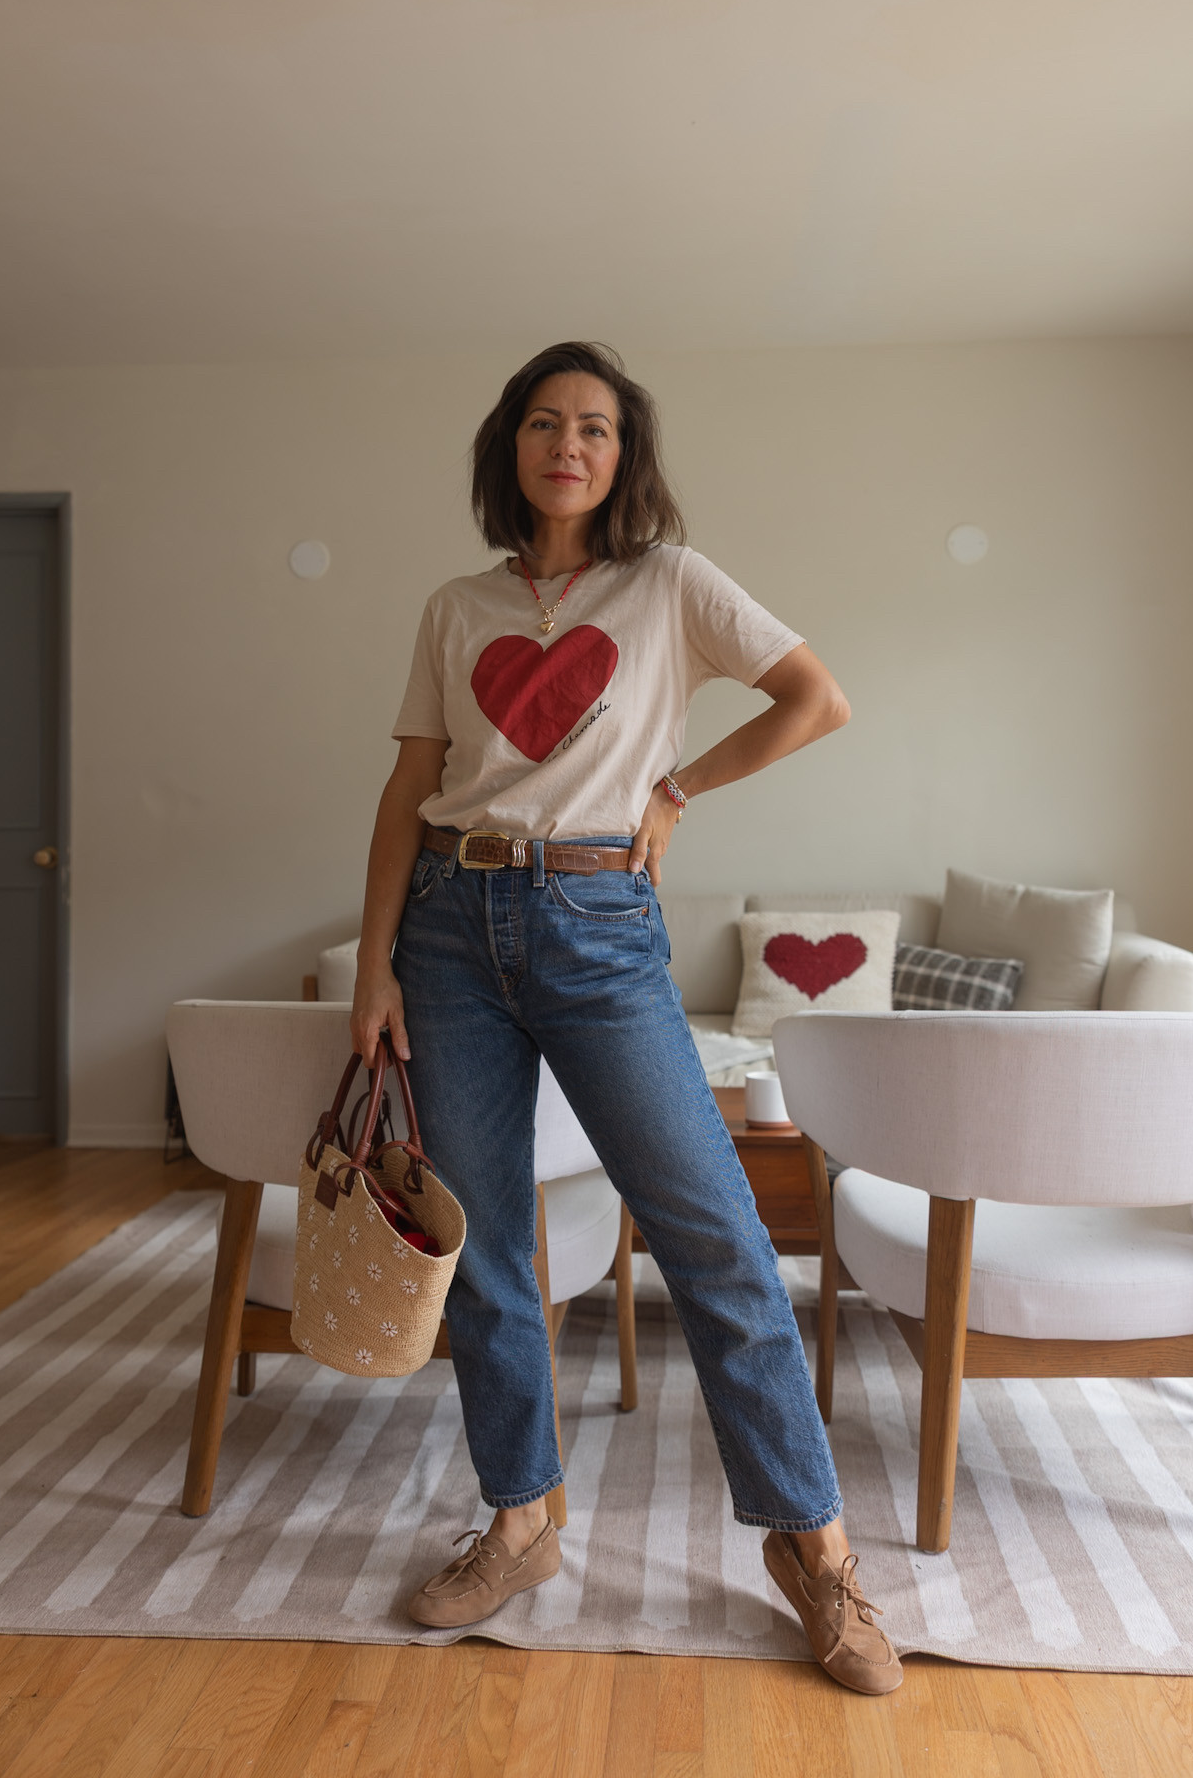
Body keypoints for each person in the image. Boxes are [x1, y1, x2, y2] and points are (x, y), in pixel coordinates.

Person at [350, 342, 902, 1695]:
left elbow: (814, 700)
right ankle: (520, 1518)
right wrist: (373, 971)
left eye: (594, 428)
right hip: (447, 928)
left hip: (598, 926)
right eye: (545, 424)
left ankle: (814, 1557)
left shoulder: (667, 582)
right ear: (511, 446)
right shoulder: (455, 606)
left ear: (621, 456)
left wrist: (677, 789)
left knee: (713, 1239)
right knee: (484, 1248)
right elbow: (407, 791)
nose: (569, 447)